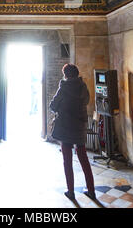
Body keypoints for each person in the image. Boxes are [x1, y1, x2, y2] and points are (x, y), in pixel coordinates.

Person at [50, 63, 95, 201]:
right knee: (84, 159)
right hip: (79, 126)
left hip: (65, 127)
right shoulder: (83, 87)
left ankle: (71, 191)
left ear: (66, 75)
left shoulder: (63, 87)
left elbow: (53, 105)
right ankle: (91, 191)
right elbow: (86, 100)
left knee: (67, 161)